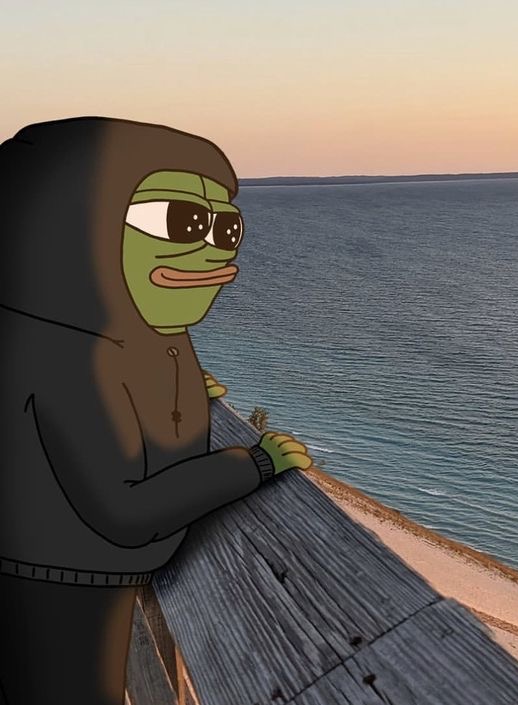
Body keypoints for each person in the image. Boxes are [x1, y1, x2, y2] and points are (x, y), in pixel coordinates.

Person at [0, 117, 311, 705]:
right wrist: (255, 464)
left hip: (76, 572)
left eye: (226, 227)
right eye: (182, 221)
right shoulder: (68, 353)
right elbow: (125, 510)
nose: (214, 249)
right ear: (76, 222)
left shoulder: (112, 331)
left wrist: (178, 392)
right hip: (58, 581)